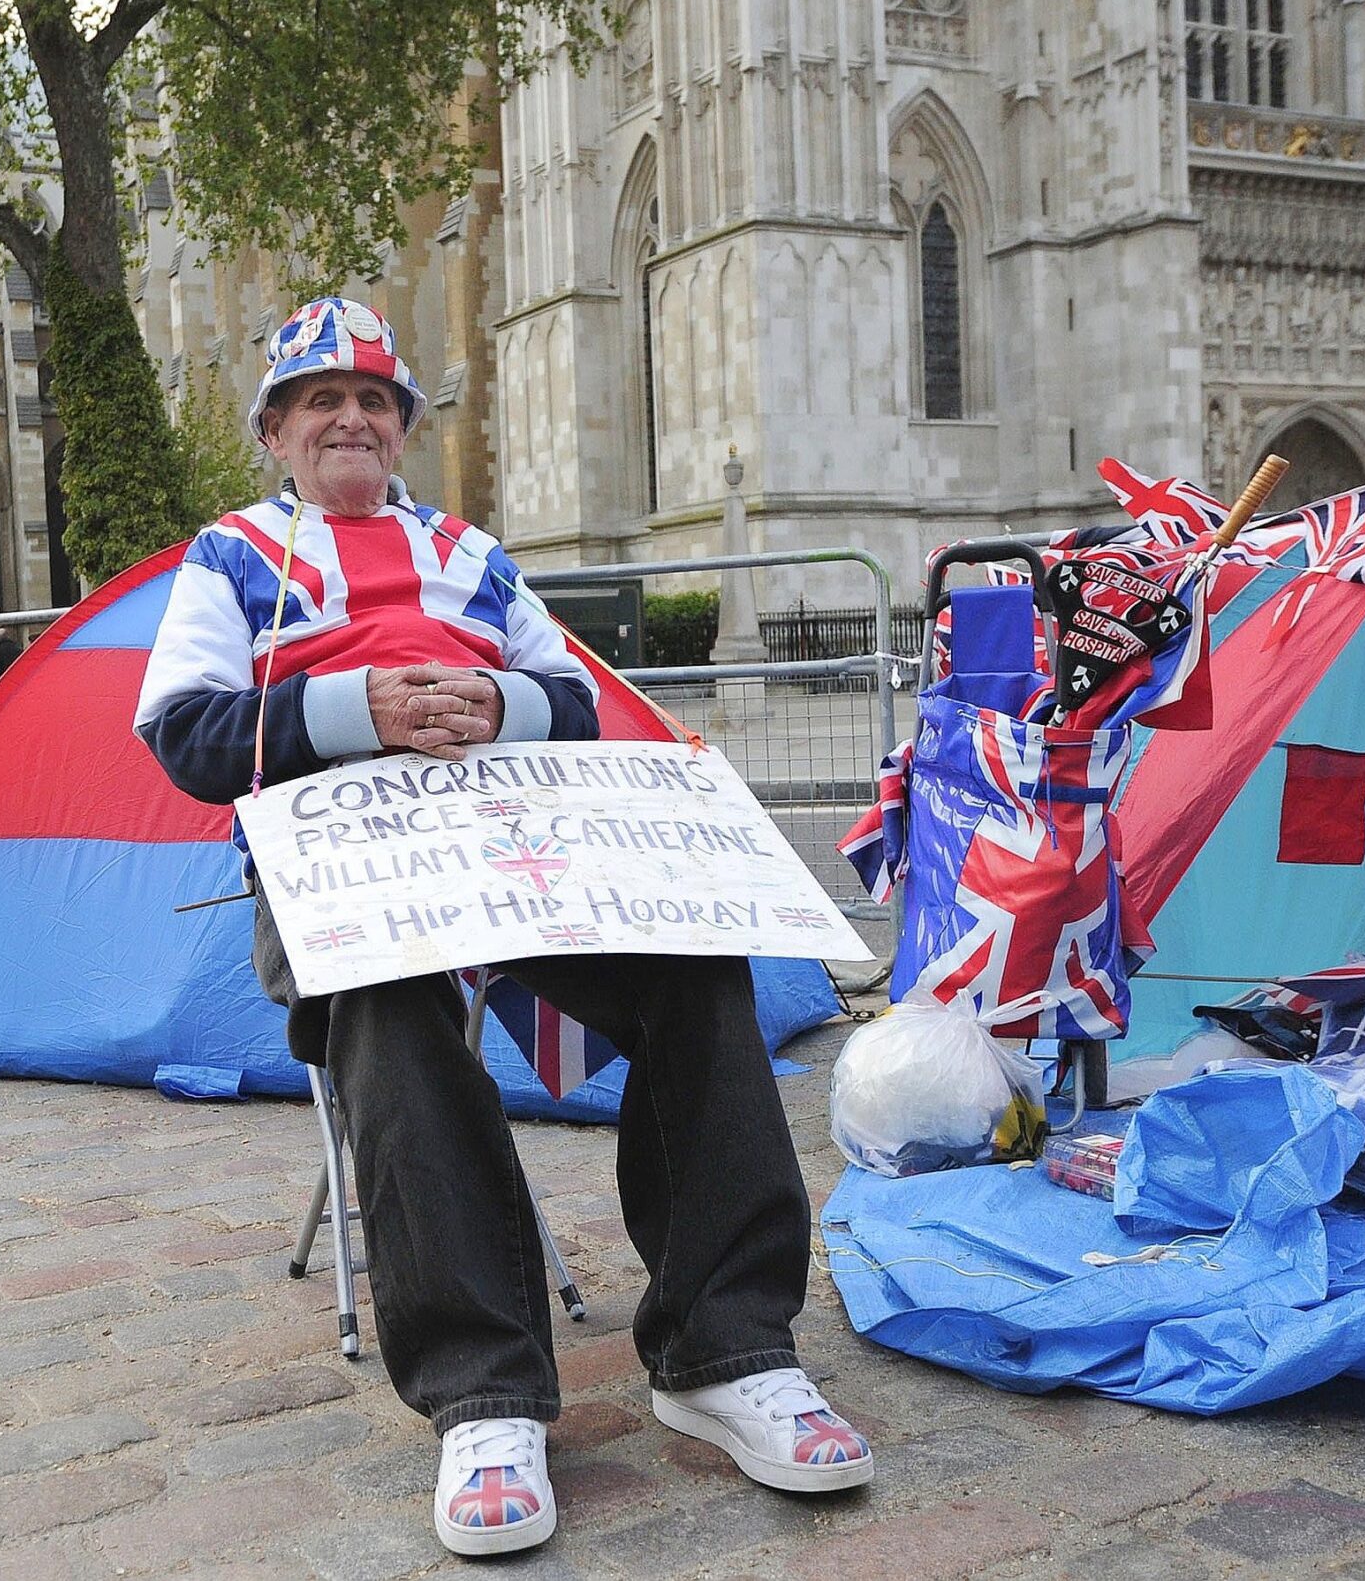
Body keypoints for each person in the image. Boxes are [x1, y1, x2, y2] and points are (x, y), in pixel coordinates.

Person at [134, 297, 870, 1560]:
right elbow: (186, 737)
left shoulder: (471, 554)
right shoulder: (231, 559)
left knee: (697, 965)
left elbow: (576, 701)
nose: (352, 418)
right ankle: (483, 1394)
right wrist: (361, 705)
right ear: (276, 430)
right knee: (387, 1002)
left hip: (521, 848)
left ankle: (726, 1345)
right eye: (323, 400)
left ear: (404, 426)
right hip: (348, 877)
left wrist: (497, 699)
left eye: (374, 399)